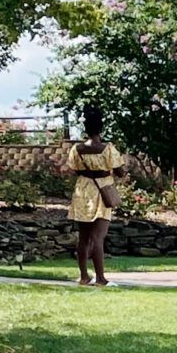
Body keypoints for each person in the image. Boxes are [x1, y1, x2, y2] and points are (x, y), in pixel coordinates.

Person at [67, 107, 124, 287]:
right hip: (101, 191)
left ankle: (84, 276)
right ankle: (100, 278)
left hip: (82, 191)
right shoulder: (107, 148)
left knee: (84, 237)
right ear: (101, 128)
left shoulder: (77, 149)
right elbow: (120, 171)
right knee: (98, 236)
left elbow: (74, 169)